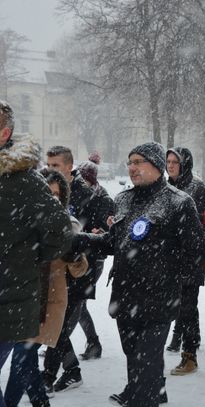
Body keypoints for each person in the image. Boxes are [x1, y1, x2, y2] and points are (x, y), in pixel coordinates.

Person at [73, 142, 205, 407]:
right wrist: (80, 240)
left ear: (156, 166)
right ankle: (151, 390)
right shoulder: (123, 199)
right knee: (135, 360)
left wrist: (169, 278)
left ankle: (146, 396)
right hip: (125, 299)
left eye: (138, 162)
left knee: (145, 368)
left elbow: (197, 252)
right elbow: (115, 242)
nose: (132, 168)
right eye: (130, 162)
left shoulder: (179, 202)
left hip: (158, 302)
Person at [0, 100, 72, 407]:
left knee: (22, 365)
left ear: (4, 133)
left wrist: (21, 257)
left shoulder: (24, 181)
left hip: (9, 300)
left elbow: (59, 233)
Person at [4, 168, 88, 407]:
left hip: (47, 306)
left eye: (56, 194)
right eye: (46, 193)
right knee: (27, 363)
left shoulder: (67, 225)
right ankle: (40, 402)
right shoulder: (21, 220)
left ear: (62, 198)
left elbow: (80, 270)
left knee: (22, 360)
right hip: (20, 301)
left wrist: (74, 256)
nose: (51, 199)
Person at [43, 147, 101, 392]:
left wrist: (79, 252)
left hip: (79, 273)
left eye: (55, 165)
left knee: (59, 329)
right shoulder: (44, 190)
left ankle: (46, 379)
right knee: (55, 328)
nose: (50, 169)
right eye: (48, 164)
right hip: (53, 275)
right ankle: (73, 370)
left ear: (69, 166)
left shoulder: (86, 195)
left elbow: (97, 235)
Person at [165, 147, 205, 376]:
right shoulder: (165, 188)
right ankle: (176, 342)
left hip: (192, 257)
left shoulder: (199, 189)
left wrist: (193, 218)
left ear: (185, 163)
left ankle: (190, 355)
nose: (170, 166)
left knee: (188, 307)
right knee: (171, 305)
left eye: (174, 162)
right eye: (167, 161)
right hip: (168, 258)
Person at [76, 160, 115, 360]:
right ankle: (58, 343)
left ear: (90, 179)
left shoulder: (104, 199)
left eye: (83, 178)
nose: (80, 181)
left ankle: (92, 343)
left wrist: (98, 231)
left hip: (95, 258)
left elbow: (111, 229)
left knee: (78, 303)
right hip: (79, 254)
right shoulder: (79, 195)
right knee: (76, 302)